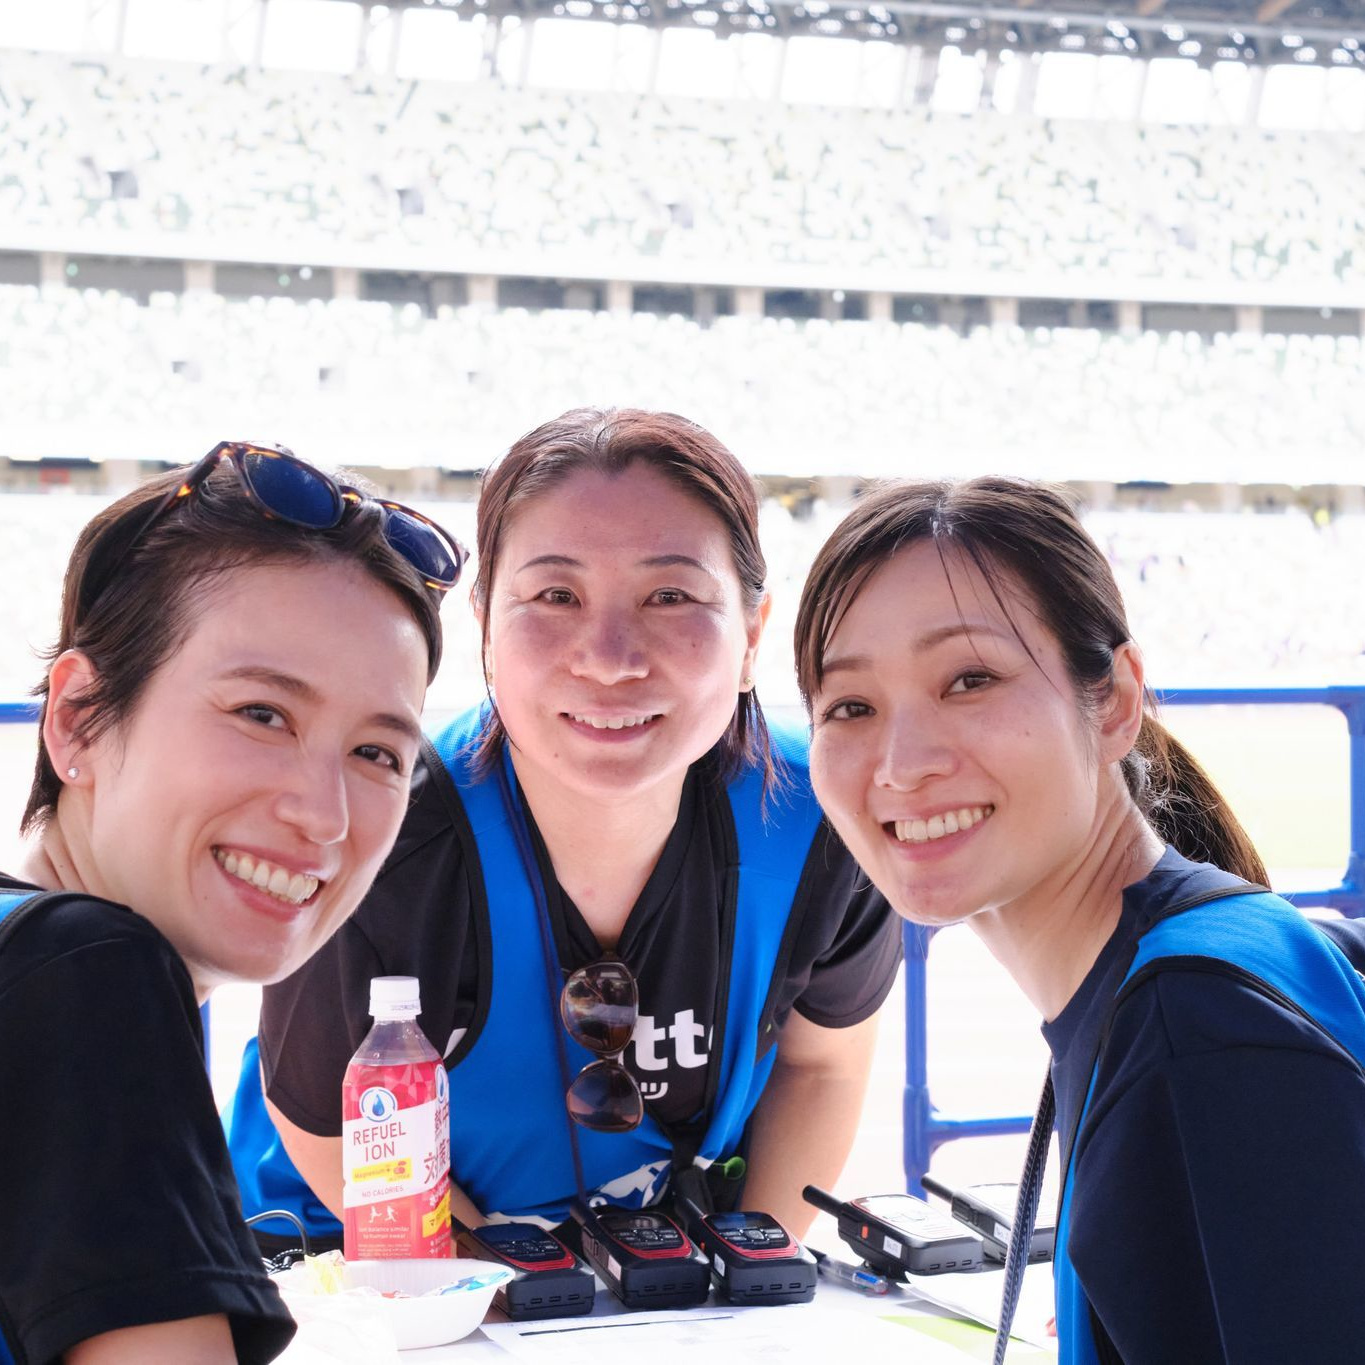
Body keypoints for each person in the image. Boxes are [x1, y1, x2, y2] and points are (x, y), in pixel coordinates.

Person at [228, 408, 901, 1246]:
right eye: (554, 595)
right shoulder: (384, 822)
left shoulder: (821, 813)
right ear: (484, 626)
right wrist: (523, 1297)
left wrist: (745, 1268)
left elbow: (819, 1067)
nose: (609, 657)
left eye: (670, 595)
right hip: (357, 1252)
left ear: (752, 634)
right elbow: (332, 1130)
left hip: (660, 1268)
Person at [792, 476, 1365, 1364]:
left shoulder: (1196, 1034)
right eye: (851, 707)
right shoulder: (1186, 973)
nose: (901, 765)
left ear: (1115, 702)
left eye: (970, 679)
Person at [0, 441, 458, 1365]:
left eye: (377, 754)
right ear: (77, 719)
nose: (324, 816)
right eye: (261, 713)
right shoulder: (83, 971)